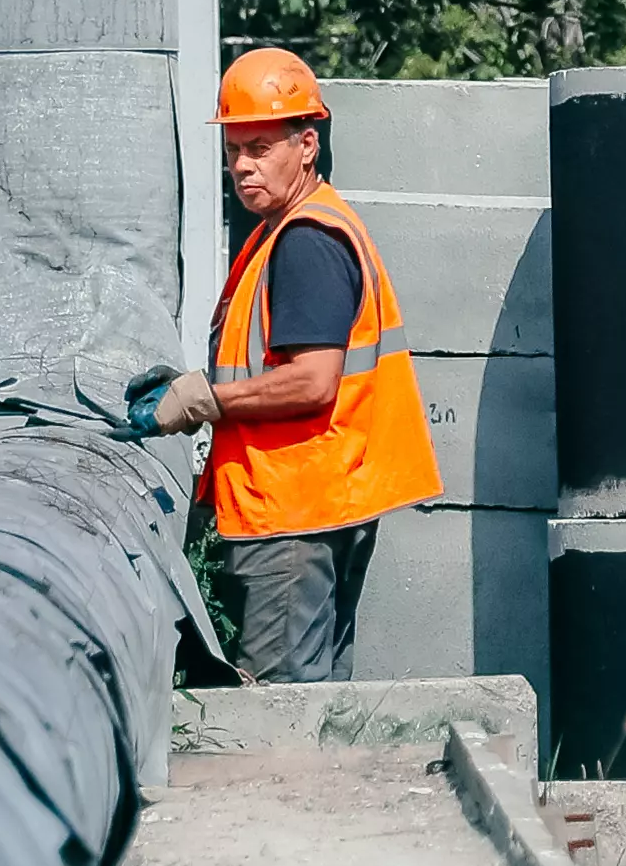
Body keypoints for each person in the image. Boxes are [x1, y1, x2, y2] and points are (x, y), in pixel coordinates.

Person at [125, 49, 443, 681]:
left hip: (293, 517)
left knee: (277, 712)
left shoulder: (305, 242)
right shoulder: (294, 227)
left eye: (261, 147)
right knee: (314, 708)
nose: (243, 165)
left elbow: (312, 380)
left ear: (307, 144)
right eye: (234, 150)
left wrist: (204, 400)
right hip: (315, 504)